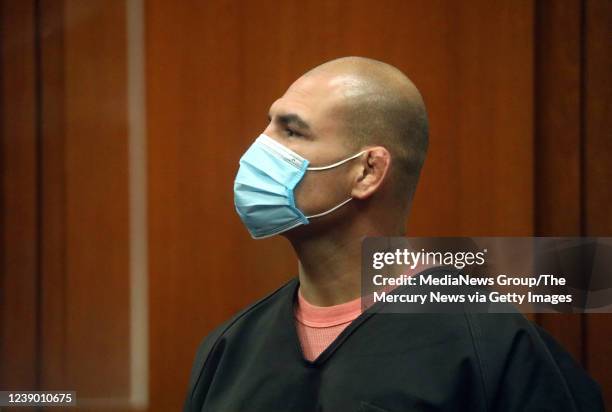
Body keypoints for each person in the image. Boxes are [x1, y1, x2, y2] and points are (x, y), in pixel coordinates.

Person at [183, 57, 603, 411]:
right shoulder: (229, 349)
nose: (258, 149)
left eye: (291, 132)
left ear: (367, 171)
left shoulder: (490, 350)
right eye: (268, 126)